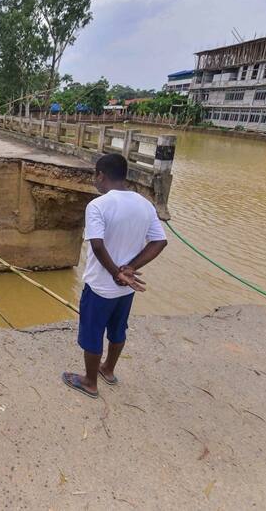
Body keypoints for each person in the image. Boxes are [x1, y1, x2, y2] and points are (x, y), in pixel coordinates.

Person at [62, 153, 167, 398]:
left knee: (92, 332)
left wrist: (116, 273)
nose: (95, 181)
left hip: (101, 286)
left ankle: (89, 382)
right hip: (126, 289)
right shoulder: (144, 204)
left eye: (95, 176)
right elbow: (159, 242)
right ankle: (108, 370)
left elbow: (97, 245)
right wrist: (129, 269)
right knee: (118, 330)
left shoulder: (98, 205)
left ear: (101, 175)